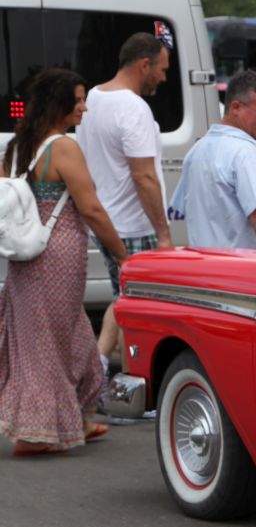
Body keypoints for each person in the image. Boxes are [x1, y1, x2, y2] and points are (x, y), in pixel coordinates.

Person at [0, 69, 129, 456]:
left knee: (72, 333)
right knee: (48, 342)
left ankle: (81, 416)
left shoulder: (18, 146)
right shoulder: (63, 148)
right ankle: (34, 433)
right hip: (58, 254)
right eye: (77, 100)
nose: (84, 107)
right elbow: (90, 208)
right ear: (57, 104)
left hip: (25, 254)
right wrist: (122, 254)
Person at [78, 32, 174, 365]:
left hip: (106, 222)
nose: (163, 78)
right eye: (162, 69)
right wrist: (163, 235)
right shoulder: (133, 108)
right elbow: (143, 176)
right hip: (135, 227)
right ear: (144, 64)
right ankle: (126, 379)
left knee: (122, 299)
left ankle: (98, 367)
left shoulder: (94, 97)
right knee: (139, 309)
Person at [169, 70, 256, 249]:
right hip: (243, 263)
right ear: (236, 108)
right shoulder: (245, 154)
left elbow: (179, 211)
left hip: (204, 260)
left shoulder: (196, 151)